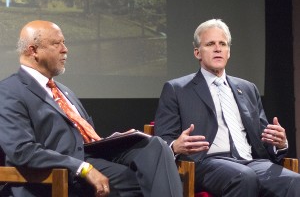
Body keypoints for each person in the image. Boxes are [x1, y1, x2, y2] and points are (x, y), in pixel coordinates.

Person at [0, 20, 183, 197]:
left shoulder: (64, 91)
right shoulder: (9, 91)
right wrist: (81, 167)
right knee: (142, 181)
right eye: (57, 44)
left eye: (64, 43)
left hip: (94, 153)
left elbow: (85, 134)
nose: (65, 49)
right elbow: (21, 151)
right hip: (63, 170)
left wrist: (113, 140)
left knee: (155, 146)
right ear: (34, 51)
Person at [154, 18, 300, 197]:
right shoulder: (177, 89)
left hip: (251, 161)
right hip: (206, 163)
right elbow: (163, 140)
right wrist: (175, 146)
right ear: (197, 52)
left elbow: (262, 141)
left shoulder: (247, 88)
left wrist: (280, 143)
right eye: (210, 44)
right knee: (244, 177)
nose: (217, 48)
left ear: (228, 52)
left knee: (294, 181)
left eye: (222, 44)